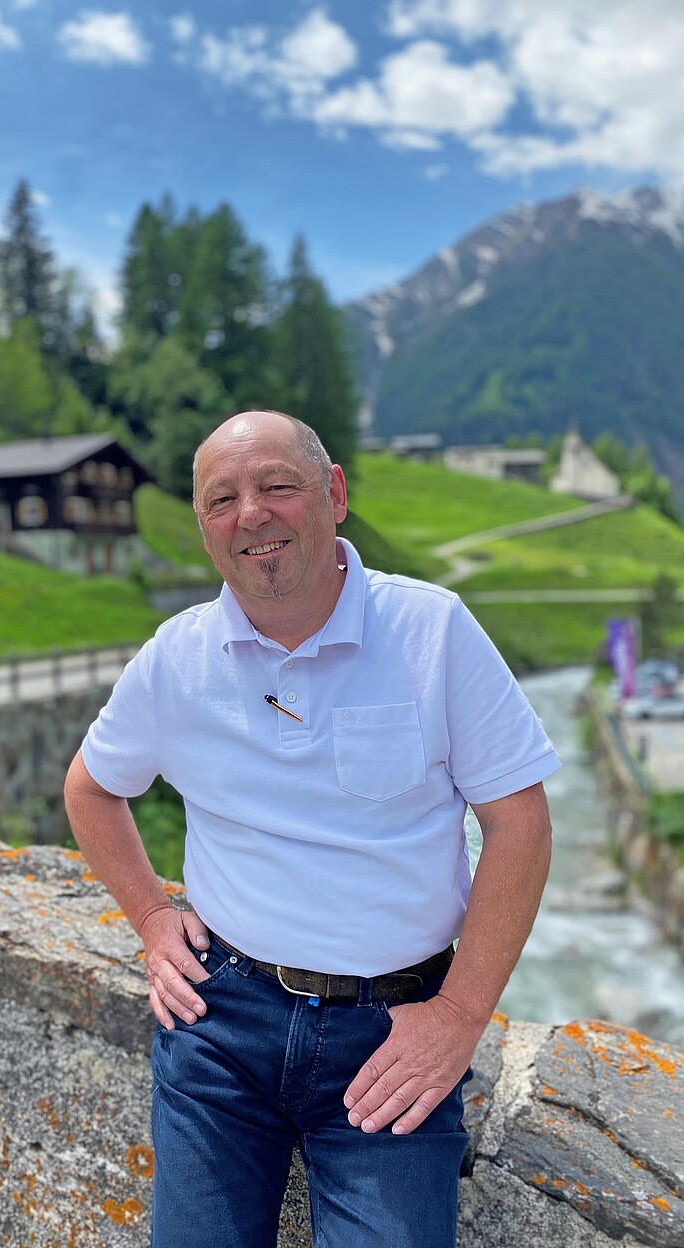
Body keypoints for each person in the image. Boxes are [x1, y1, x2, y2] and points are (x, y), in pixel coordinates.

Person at [64, 410, 559, 1248]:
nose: (250, 514)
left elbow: (521, 827)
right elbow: (89, 789)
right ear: (203, 527)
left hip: (391, 1031)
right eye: (221, 499)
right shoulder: (177, 657)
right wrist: (152, 920)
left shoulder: (432, 631)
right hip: (221, 1026)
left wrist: (460, 1015)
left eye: (276, 486)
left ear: (332, 494)